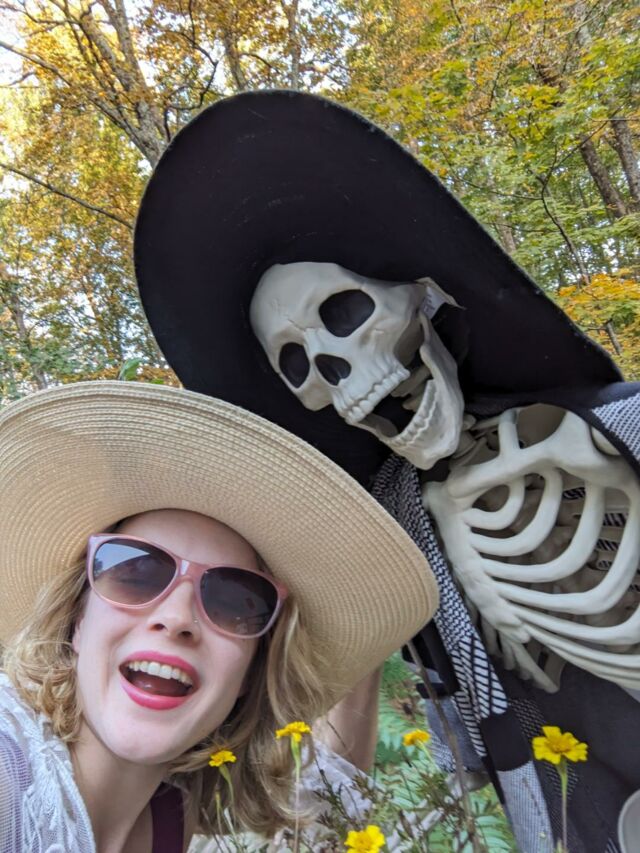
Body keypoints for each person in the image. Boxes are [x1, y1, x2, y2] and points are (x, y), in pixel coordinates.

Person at [0, 380, 438, 852]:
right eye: (136, 573)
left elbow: (332, 805)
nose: (176, 617)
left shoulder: (172, 816)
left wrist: (362, 633)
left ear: (251, 672)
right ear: (77, 621)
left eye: (235, 601)